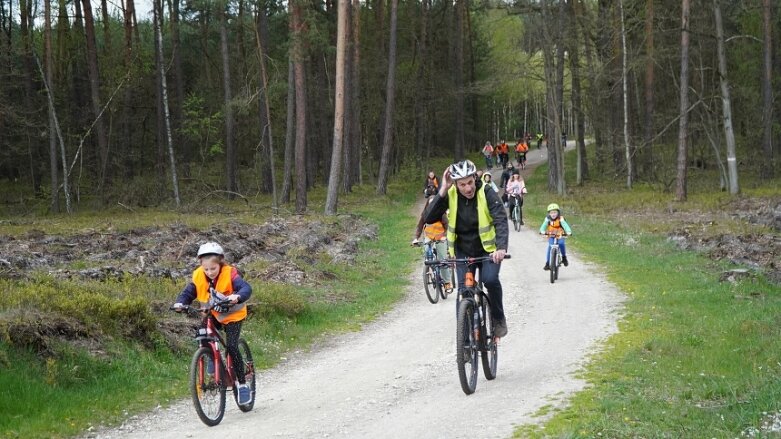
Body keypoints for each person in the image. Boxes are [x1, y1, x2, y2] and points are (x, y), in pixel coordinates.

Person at [423, 159, 509, 338]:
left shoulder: (486, 191)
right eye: (462, 184)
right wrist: (443, 189)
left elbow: (500, 219)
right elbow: (429, 217)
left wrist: (501, 248)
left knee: (490, 280)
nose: (467, 188)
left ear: (474, 178)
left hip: (488, 250)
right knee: (464, 292)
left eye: (470, 182)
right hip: (463, 251)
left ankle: (498, 318)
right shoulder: (451, 192)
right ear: (455, 183)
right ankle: (465, 338)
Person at [173, 242, 253, 405]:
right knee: (202, 334)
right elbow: (189, 292)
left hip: (233, 315)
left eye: (213, 269)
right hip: (213, 314)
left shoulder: (230, 274)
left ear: (220, 263)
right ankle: (210, 356)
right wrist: (180, 303)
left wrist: (237, 296)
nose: (209, 272)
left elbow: (245, 288)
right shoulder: (198, 276)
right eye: (206, 269)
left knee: (231, 346)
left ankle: (242, 384)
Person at [412, 197, 452, 291]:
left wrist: (444, 236)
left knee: (442, 260)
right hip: (429, 237)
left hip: (440, 238)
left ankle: (447, 282)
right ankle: (429, 268)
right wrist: (415, 239)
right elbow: (419, 227)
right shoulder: (425, 215)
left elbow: (448, 226)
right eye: (430, 205)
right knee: (426, 250)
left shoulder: (441, 215)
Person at [538, 203, 572, 271]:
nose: (553, 214)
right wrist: (542, 231)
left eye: (555, 212)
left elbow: (565, 226)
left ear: (558, 212)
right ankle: (547, 263)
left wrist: (568, 232)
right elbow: (543, 227)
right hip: (551, 234)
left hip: (560, 234)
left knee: (561, 243)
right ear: (549, 213)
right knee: (550, 246)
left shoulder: (561, 219)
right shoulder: (547, 219)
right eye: (551, 213)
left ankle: (564, 257)